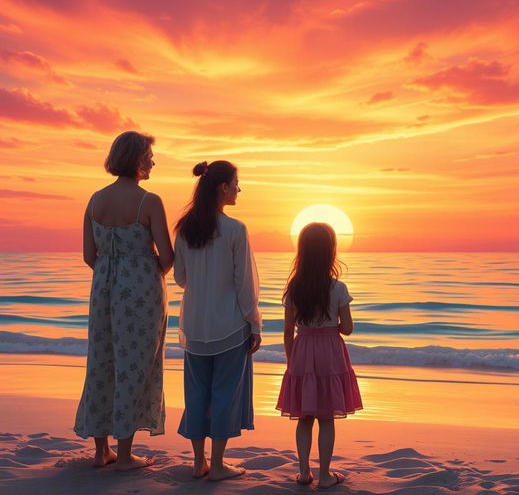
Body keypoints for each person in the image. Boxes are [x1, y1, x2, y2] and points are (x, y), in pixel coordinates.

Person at [74, 131, 174, 470]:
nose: (153, 162)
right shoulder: (150, 201)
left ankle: (101, 450)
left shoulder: (95, 199)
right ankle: (126, 453)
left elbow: (89, 255)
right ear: (138, 159)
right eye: (149, 156)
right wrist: (145, 268)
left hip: (103, 286)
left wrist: (111, 269)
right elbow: (167, 255)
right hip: (142, 290)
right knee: (134, 363)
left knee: (102, 360)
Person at [173, 160, 261, 482]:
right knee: (225, 394)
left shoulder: (184, 228)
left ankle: (199, 462)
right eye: (237, 182)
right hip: (229, 326)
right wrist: (255, 323)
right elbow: (245, 285)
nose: (240, 188)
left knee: (197, 394)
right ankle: (219, 463)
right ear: (223, 187)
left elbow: (181, 278)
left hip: (195, 325)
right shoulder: (235, 229)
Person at [276, 222, 362, 488]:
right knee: (327, 418)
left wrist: (292, 361)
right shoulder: (338, 288)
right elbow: (347, 328)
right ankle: (325, 475)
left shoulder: (295, 288)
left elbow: (288, 330)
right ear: (330, 252)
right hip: (330, 352)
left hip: (302, 351)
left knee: (304, 417)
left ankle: (304, 473)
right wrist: (332, 327)